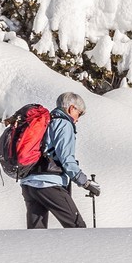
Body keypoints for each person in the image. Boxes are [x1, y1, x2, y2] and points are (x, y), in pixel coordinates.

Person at [20, 91, 98, 229]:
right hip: (49, 184)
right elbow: (66, 158)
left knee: (36, 234)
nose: (77, 119)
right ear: (71, 108)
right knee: (77, 228)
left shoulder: (46, 122)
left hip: (29, 184)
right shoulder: (63, 123)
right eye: (79, 114)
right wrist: (84, 182)